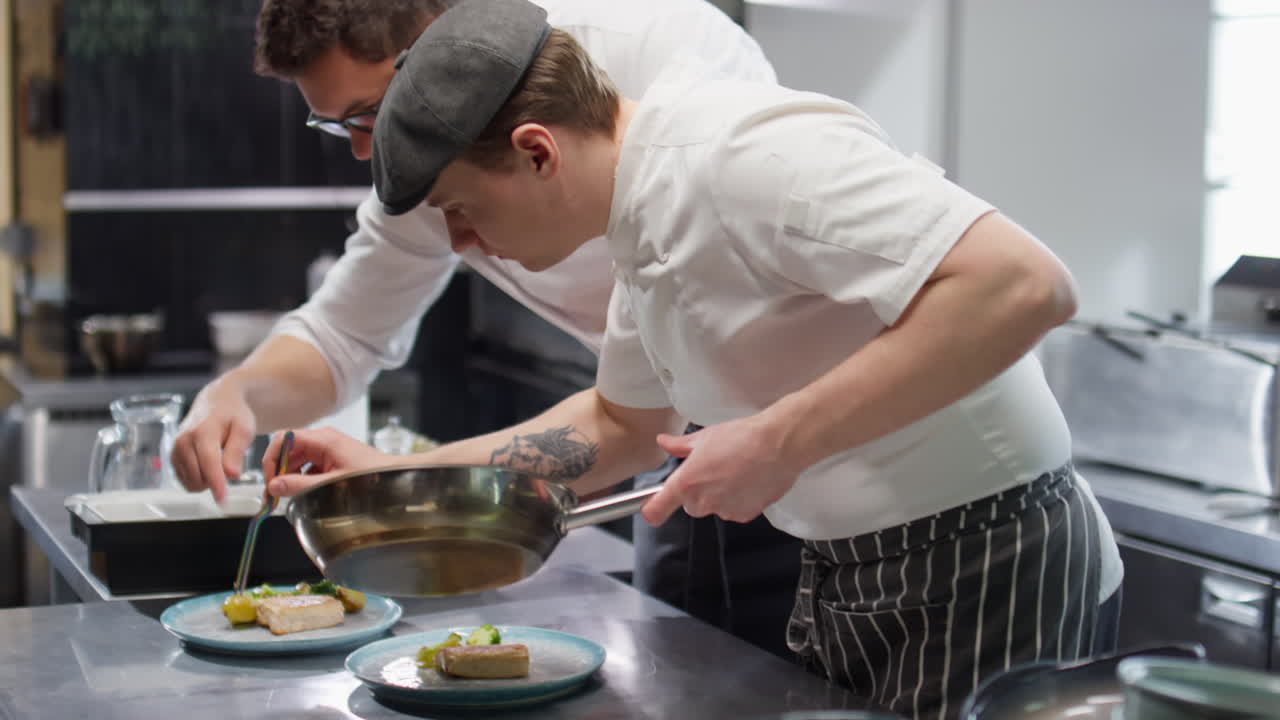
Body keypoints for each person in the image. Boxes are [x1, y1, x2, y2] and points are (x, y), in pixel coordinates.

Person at [262, 1, 1124, 717]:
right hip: (858, 576)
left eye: (461, 210)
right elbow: (620, 427)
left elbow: (1023, 284)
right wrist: (386, 484)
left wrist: (778, 439)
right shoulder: (636, 219)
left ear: (536, 150)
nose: (461, 242)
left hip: (992, 562)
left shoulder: (741, 158)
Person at [170, 0, 805, 659]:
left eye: (367, 115)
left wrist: (401, 479)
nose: (367, 150)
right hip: (673, 450)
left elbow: (635, 424)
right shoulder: (421, 152)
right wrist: (236, 393)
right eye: (336, 128)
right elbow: (344, 332)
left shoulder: (656, 59)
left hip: (799, 446)